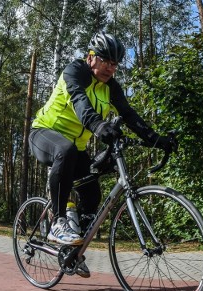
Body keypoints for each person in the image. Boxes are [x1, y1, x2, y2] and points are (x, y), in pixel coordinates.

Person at [29, 32, 175, 277]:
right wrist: (97, 125)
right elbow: (80, 102)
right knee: (64, 149)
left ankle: (72, 250)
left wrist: (155, 139)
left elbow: (129, 115)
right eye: (106, 60)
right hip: (45, 134)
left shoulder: (111, 87)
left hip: (77, 149)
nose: (110, 67)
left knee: (93, 196)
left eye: (115, 63)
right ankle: (58, 222)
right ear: (90, 57)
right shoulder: (75, 72)